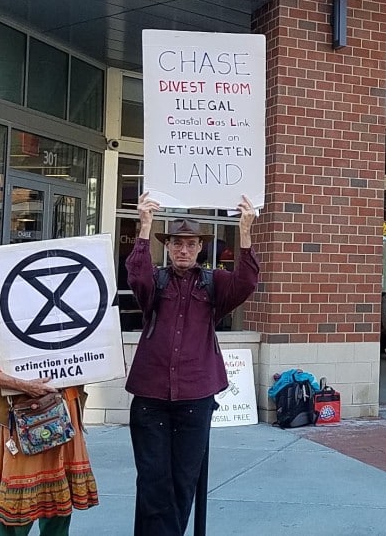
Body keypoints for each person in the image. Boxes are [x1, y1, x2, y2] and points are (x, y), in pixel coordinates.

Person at [126, 191, 259, 536]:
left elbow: (246, 283)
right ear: (167, 247)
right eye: (176, 244)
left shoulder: (214, 283)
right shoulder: (156, 280)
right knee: (153, 482)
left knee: (184, 482)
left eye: (190, 244)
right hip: (150, 397)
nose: (183, 250)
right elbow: (136, 278)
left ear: (200, 247)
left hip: (195, 398)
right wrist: (144, 228)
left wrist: (245, 233)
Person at [0, 339, 98, 535]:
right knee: (17, 507)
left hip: (65, 418)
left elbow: (99, 360)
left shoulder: (73, 329)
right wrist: (24, 385)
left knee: (59, 504)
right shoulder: (13, 328)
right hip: (26, 423)